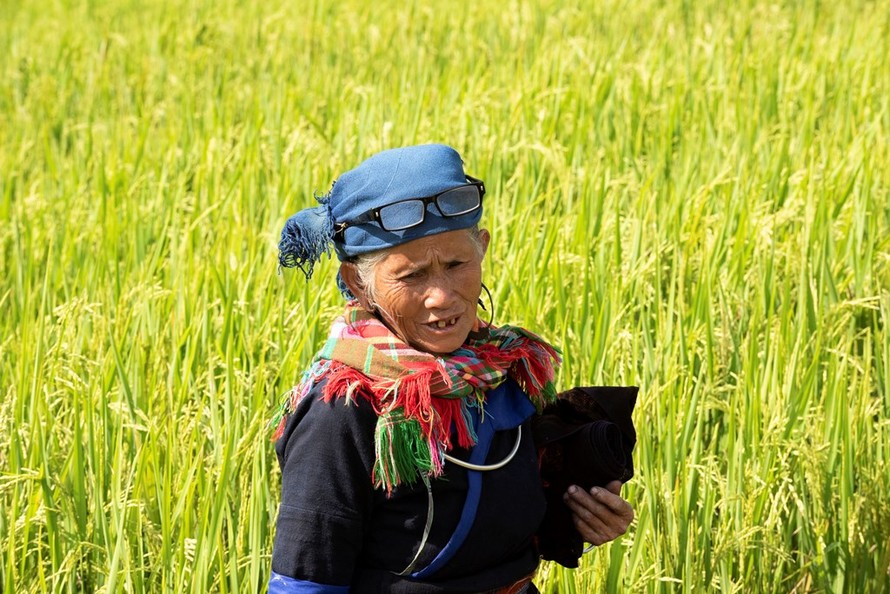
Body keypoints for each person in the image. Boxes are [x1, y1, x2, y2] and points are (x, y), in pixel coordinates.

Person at [270, 144, 634, 593]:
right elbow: (305, 582)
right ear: (357, 285)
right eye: (411, 275)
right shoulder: (344, 408)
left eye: (457, 264)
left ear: (482, 250)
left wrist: (580, 513)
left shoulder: (500, 369)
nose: (441, 296)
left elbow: (500, 521)